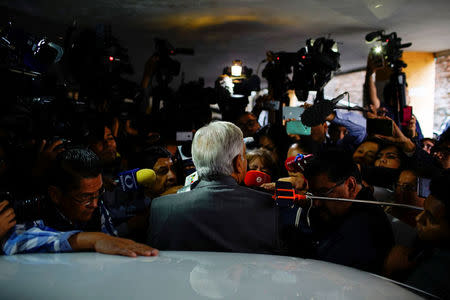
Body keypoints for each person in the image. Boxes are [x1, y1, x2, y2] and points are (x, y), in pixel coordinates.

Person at [148, 121, 281, 254]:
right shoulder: (271, 207)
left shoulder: (159, 208)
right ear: (238, 163)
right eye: (244, 155)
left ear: (196, 162)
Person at [2, 148, 158, 257]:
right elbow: (18, 240)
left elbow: (112, 241)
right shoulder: (32, 212)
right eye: (85, 197)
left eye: (98, 193)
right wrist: (93, 239)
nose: (95, 204)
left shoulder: (96, 204)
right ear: (55, 195)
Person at [289, 149, 394, 273]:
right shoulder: (345, 210)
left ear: (350, 185)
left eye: (323, 194)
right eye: (314, 195)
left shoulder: (362, 228)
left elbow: (323, 271)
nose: (316, 203)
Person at [384, 170, 450, 299]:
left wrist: (388, 273)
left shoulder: (438, 273)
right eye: (423, 210)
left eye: (431, 219)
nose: (418, 218)